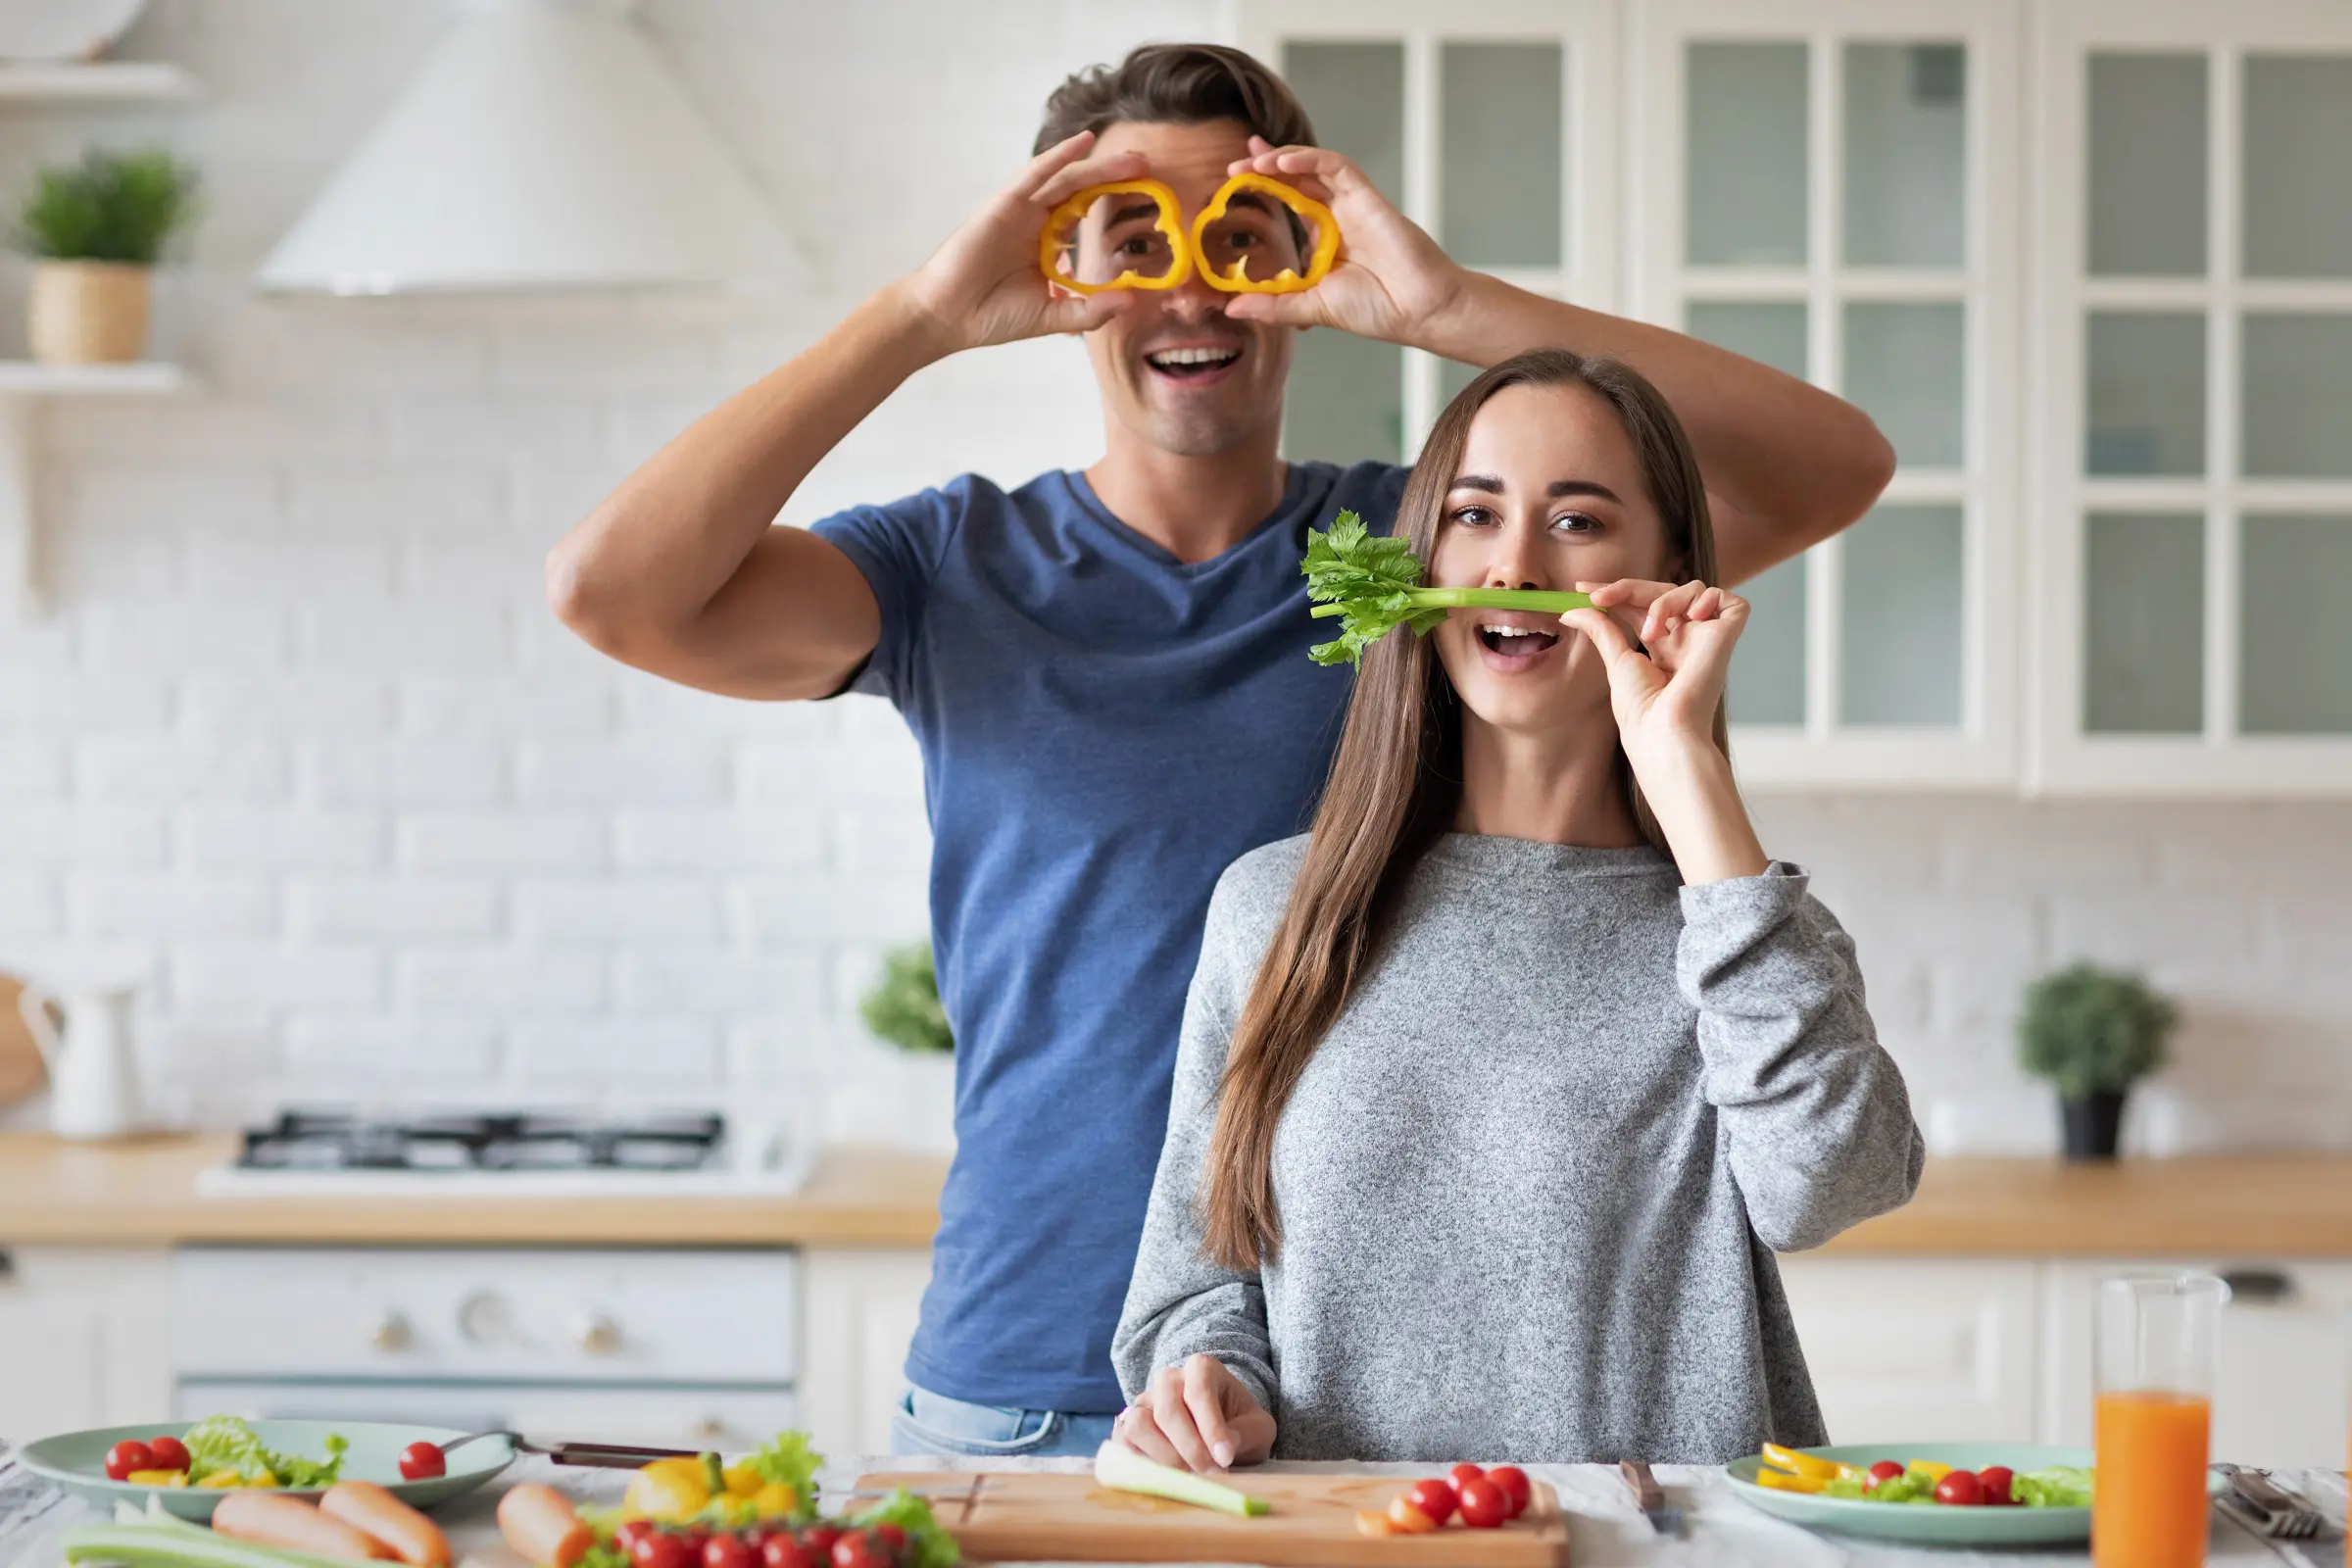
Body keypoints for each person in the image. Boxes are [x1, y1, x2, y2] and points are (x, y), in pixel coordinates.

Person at [546, 44, 1896, 1458]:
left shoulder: (1423, 574)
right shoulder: (954, 569)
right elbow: (612, 595)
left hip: (1327, 1397)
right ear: (1061, 275)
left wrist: (1442, 306)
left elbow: (1828, 468)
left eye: (1240, 247)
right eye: (1135, 248)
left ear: (1306, 270)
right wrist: (926, 313)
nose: (1190, 293)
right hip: (1025, 1374)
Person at [1110, 348, 1924, 1468]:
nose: (1512, 564)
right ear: (1421, 559)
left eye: (1579, 523)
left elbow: (1828, 1186)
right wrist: (1210, 1384)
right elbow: (1194, 1289)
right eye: (1474, 514)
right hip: (1361, 1553)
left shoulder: (1744, 929)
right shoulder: (1273, 909)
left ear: (1671, 572)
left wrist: (1691, 785)